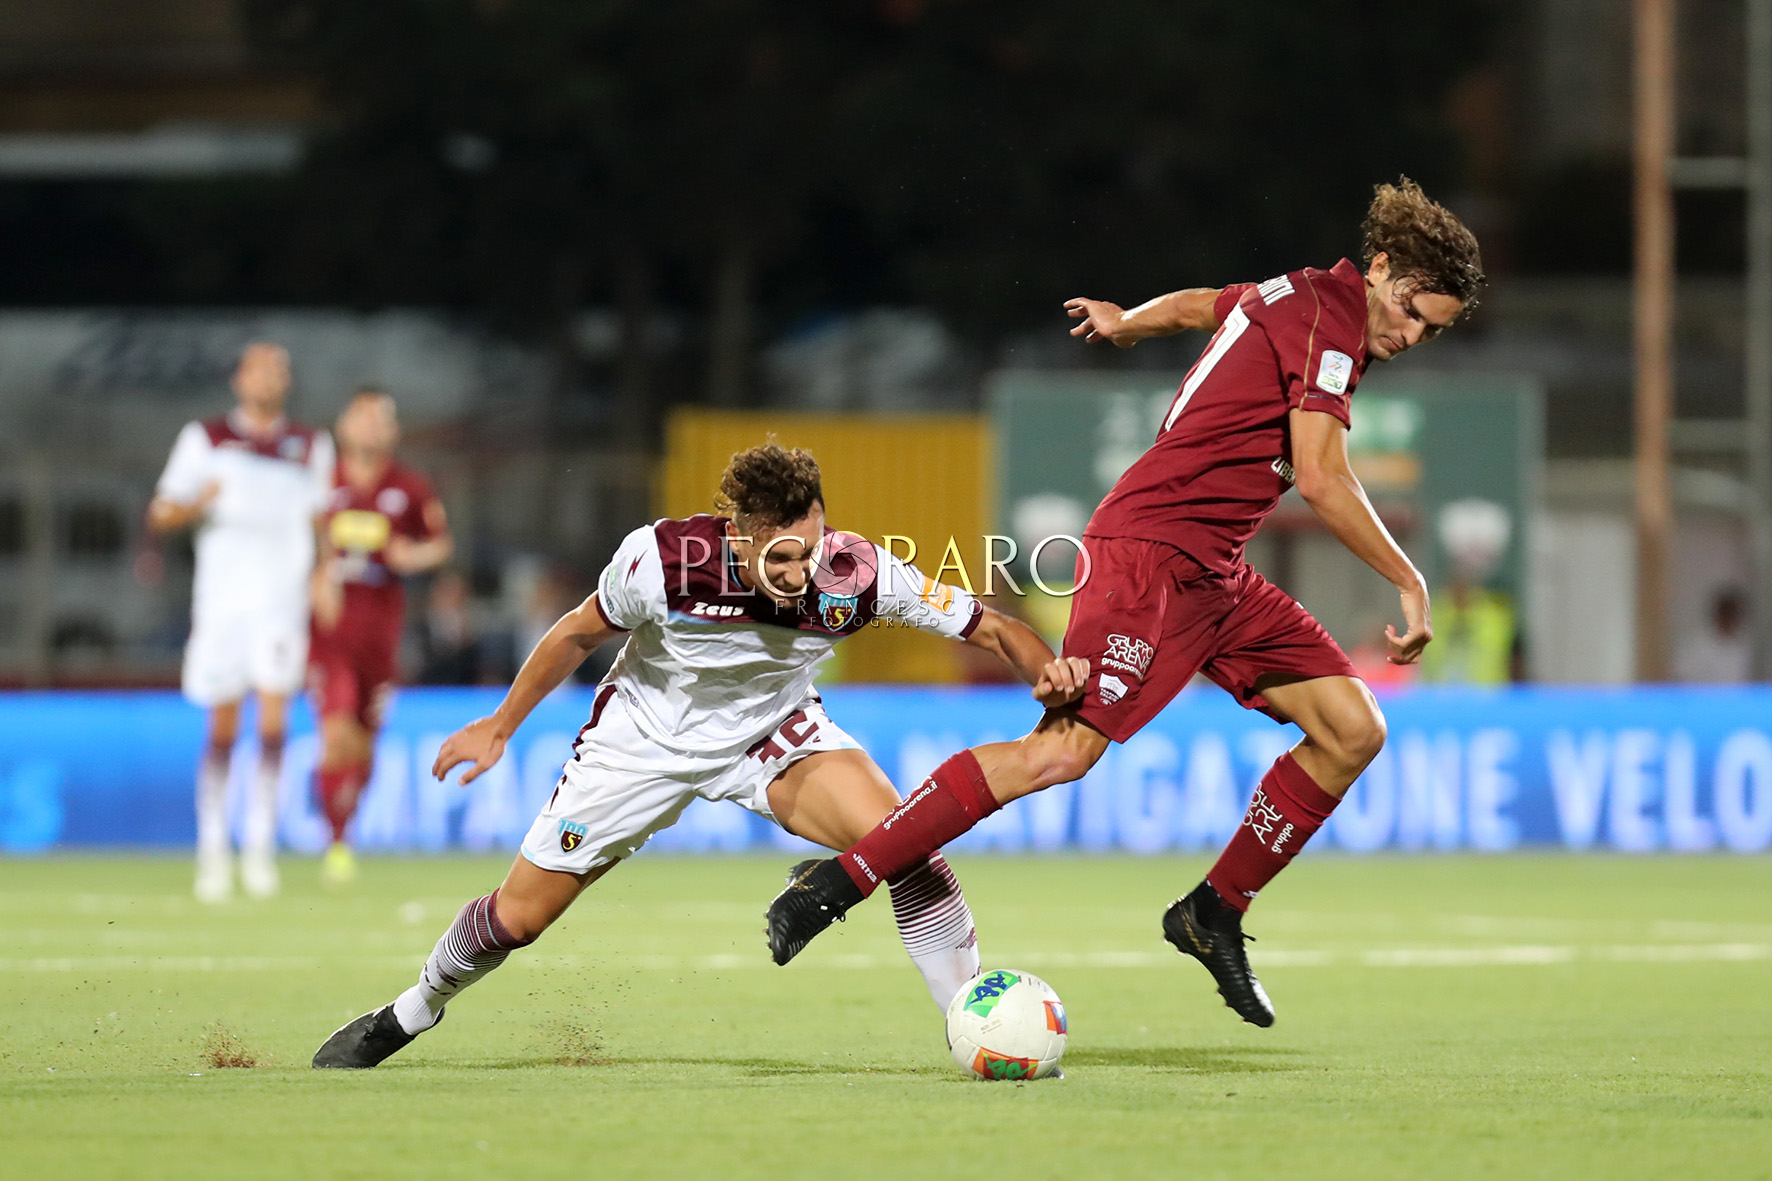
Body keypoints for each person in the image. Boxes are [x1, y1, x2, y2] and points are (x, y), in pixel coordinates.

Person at [767, 178, 1485, 1029]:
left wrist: (1124, 320)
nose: (1409, 335)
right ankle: (838, 880)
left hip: (1214, 572)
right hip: (1148, 554)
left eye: (1430, 330)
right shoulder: (1333, 324)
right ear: (1381, 267)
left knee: (1353, 727)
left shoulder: (1299, 294)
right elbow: (1322, 477)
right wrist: (1409, 577)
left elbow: (1202, 306)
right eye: (1410, 312)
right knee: (1061, 753)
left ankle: (1212, 910)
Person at [312, 443, 1087, 1068]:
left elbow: (990, 627)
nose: (798, 576)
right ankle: (410, 1011)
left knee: (907, 844)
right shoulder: (663, 559)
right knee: (518, 919)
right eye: (779, 558)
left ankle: (972, 1026)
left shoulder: (858, 574)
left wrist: (1044, 670)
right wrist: (501, 724)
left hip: (771, 738)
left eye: (810, 551)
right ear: (739, 533)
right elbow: (579, 631)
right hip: (639, 742)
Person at [148, 342, 335, 902]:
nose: (270, 378)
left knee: (275, 726)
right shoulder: (205, 439)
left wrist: (326, 576)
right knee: (223, 729)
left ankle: (258, 850)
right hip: (222, 605)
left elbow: (322, 519)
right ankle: (212, 853)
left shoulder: (309, 445)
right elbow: (161, 512)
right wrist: (194, 504)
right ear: (239, 379)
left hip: (281, 605)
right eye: (260, 369)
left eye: (279, 369)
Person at [309, 388, 453, 884]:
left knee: (364, 744)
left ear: (393, 431)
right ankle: (336, 842)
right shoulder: (319, 481)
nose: (371, 426)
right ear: (343, 426)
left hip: (381, 631)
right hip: (329, 633)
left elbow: (439, 544)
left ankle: (342, 823)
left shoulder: (409, 487)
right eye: (362, 416)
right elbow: (300, 541)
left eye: (381, 419)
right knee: (335, 734)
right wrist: (317, 575)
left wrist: (409, 556)